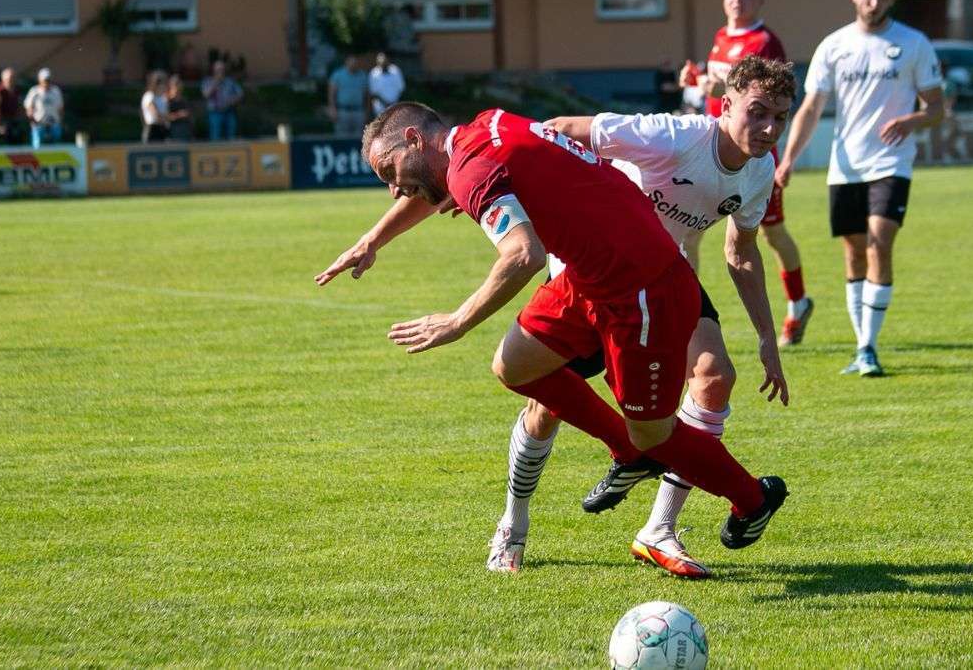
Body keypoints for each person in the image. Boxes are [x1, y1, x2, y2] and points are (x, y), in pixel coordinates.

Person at [316, 102, 791, 561]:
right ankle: (624, 450)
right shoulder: (486, 127)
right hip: (591, 275)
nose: (394, 188)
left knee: (653, 434)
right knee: (514, 364)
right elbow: (449, 185)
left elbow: (524, 255)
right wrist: (372, 239)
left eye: (389, 171)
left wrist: (457, 321)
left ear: (415, 139)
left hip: (643, 291)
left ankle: (752, 499)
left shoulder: (471, 168)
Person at [483, 56, 794, 577]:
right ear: (726, 104)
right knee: (545, 406)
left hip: (664, 279)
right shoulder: (673, 136)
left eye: (779, 117)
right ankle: (512, 525)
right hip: (592, 277)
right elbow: (559, 130)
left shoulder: (760, 171)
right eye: (757, 112)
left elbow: (740, 252)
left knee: (715, 377)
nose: (767, 128)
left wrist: (766, 336)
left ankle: (659, 529)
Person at [775, 0, 944, 377]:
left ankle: (869, 347)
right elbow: (812, 108)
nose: (873, 1)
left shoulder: (914, 43)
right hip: (846, 167)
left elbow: (937, 108)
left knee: (879, 244)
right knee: (853, 254)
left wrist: (911, 121)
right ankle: (860, 346)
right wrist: (788, 159)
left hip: (891, 163)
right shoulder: (835, 46)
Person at [681, 0, 814, 347]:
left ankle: (798, 302)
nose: (737, 0)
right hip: (711, 154)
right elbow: (719, 91)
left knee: (768, 233)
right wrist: (695, 80)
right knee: (688, 232)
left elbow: (768, 96)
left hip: (753, 160)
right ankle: (683, 314)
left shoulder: (765, 42)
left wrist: (716, 87)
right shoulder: (722, 37)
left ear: (760, 1)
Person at [328, 55, 369, 137]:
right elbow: (332, 93)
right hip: (343, 111)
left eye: (355, 62)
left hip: (358, 111)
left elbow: (367, 95)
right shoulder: (338, 75)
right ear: (346, 62)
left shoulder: (362, 76)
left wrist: (367, 111)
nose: (354, 64)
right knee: (341, 137)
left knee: (359, 138)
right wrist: (332, 108)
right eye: (352, 62)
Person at [23, 68, 64, 148]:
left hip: (53, 124)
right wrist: (33, 121)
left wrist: (59, 121)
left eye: (48, 80)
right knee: (37, 146)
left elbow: (61, 108)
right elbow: (28, 108)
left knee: (57, 145)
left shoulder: (56, 91)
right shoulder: (34, 91)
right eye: (44, 80)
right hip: (39, 125)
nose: (46, 82)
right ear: (40, 80)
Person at [202, 60, 243, 140]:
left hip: (229, 112)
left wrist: (232, 100)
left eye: (222, 69)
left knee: (231, 137)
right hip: (215, 113)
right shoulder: (207, 81)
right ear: (213, 70)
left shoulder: (230, 81)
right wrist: (216, 82)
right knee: (216, 137)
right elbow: (206, 95)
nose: (220, 71)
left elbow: (240, 93)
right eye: (218, 69)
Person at [0, 67, 26, 145]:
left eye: (13, 78)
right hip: (4, 121)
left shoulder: (17, 90)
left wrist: (20, 120)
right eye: (10, 79)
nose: (12, 81)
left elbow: (20, 106)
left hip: (14, 120)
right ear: (4, 79)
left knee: (20, 137)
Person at [368, 52, 405, 117]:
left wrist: (393, 103)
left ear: (388, 61)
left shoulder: (396, 70)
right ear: (378, 63)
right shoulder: (373, 73)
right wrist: (386, 103)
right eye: (381, 63)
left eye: (385, 62)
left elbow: (401, 88)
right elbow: (373, 92)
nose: (383, 65)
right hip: (380, 109)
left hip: (394, 108)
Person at [140, 71, 171, 143]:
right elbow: (155, 114)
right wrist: (166, 118)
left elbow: (167, 114)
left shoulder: (163, 98)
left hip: (163, 128)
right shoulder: (149, 95)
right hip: (152, 129)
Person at [166, 75, 193, 141]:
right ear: (171, 85)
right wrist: (179, 114)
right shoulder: (167, 100)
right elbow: (166, 117)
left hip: (186, 131)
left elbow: (190, 116)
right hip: (173, 132)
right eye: (176, 84)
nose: (178, 87)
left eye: (179, 84)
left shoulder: (184, 100)